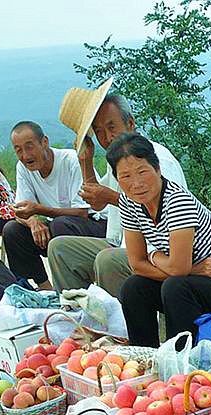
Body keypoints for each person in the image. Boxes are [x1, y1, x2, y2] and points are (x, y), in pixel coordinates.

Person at [108, 133, 211, 346]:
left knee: (175, 287)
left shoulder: (177, 200)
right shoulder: (128, 203)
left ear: (157, 169)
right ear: (117, 180)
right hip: (195, 279)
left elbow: (177, 269)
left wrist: (155, 256)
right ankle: (145, 355)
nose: (136, 183)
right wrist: (191, 270)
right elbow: (137, 264)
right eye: (126, 176)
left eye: (142, 172)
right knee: (134, 287)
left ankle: (180, 357)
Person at [47, 85, 188, 297]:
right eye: (99, 131)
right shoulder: (116, 159)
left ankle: (115, 316)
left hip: (157, 250)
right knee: (60, 249)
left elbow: (166, 206)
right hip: (119, 241)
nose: (107, 137)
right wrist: (85, 161)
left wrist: (112, 197)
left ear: (130, 124)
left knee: (107, 259)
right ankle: (79, 311)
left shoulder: (155, 159)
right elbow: (97, 203)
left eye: (111, 127)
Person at [1, 121, 104, 287]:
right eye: (18, 150)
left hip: (95, 225)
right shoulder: (23, 168)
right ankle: (45, 289)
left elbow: (82, 212)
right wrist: (33, 222)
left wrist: (39, 209)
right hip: (59, 227)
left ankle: (78, 288)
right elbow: (20, 210)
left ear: (44, 142)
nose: (25, 155)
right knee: (12, 230)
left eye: (29, 147)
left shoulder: (71, 160)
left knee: (60, 225)